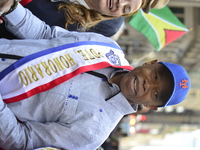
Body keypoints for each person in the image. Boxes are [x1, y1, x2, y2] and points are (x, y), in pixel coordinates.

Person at [0, 1, 190, 150]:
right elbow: (46, 35)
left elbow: (21, 139)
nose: (147, 85)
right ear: (151, 64)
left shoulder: (92, 134)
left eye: (155, 95)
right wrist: (11, 9)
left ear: (151, 106)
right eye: (155, 77)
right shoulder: (108, 47)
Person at [0, 0, 170, 39]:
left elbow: (41, 38)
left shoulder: (78, 27)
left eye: (126, 9)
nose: (120, 3)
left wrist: (10, 9)